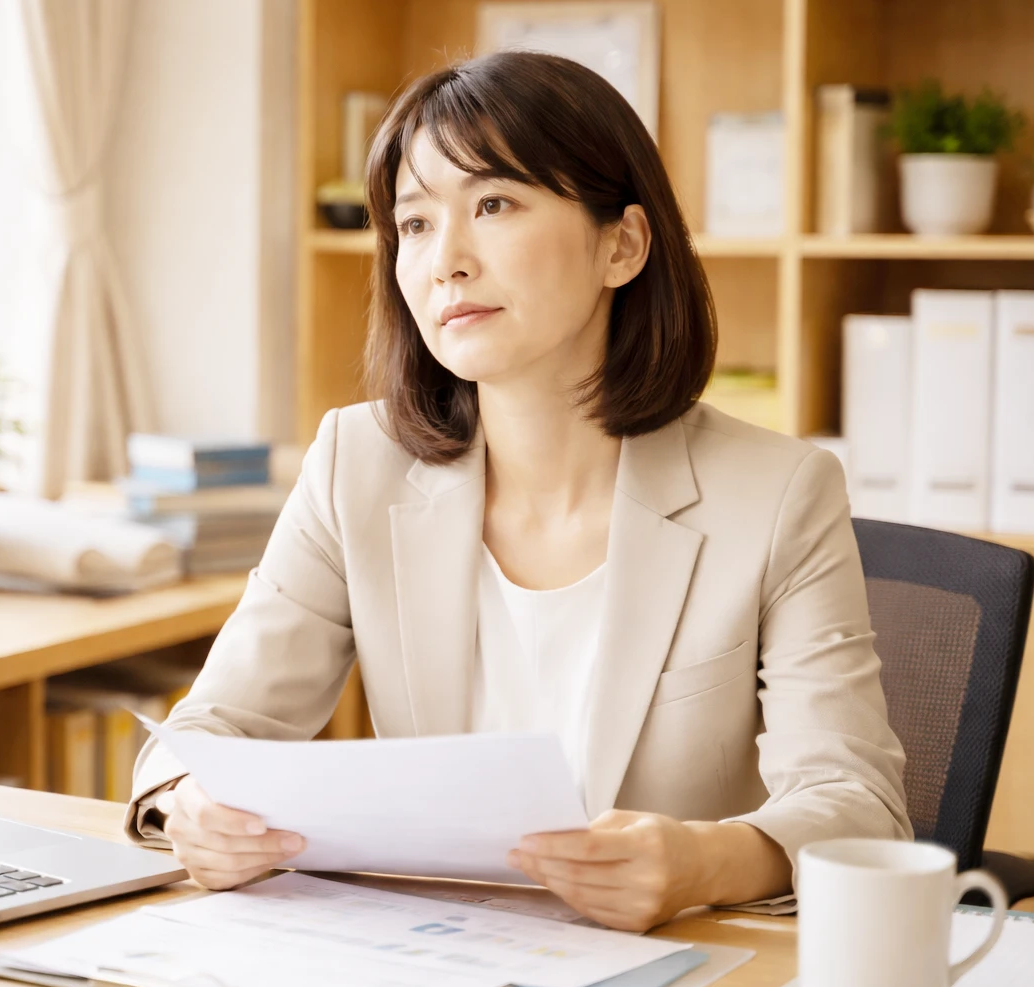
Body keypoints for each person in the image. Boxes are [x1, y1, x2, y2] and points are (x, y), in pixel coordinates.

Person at [125, 50, 911, 932]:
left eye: (493, 205)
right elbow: (209, 730)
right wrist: (189, 802)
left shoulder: (778, 494)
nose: (444, 262)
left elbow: (858, 803)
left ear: (622, 245)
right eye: (415, 225)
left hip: (676, 968)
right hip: (428, 959)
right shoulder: (355, 463)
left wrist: (700, 862)